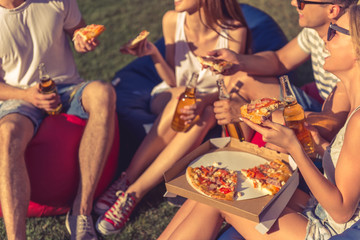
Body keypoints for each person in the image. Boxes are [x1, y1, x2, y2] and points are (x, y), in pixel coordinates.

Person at [158, 5, 360, 239]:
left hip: (332, 230)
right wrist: (319, 146)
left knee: (223, 198)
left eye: (335, 32)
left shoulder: (358, 120)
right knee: (224, 181)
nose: (326, 38)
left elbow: (342, 212)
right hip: (324, 212)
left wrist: (296, 148)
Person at [93, 0, 283, 236]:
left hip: (211, 101)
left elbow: (232, 82)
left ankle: (133, 194)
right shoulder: (172, 20)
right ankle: (127, 180)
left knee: (203, 114)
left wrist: (203, 99)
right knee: (185, 96)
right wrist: (154, 54)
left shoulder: (234, 30)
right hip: (171, 96)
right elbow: (174, 81)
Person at [0, 0, 116, 239]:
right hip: (20, 95)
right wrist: (27, 95)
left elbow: (78, 30)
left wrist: (82, 39)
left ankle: (80, 212)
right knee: (7, 134)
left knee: (103, 92)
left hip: (67, 86)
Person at [212, 0, 357, 142]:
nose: (293, 3)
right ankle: (233, 149)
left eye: (301, 1)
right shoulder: (314, 33)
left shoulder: (348, 51)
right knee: (240, 78)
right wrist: (238, 61)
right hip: (324, 107)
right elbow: (281, 60)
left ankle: (237, 151)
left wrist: (249, 112)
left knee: (280, 143)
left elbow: (330, 124)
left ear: (332, 10)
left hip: (333, 119)